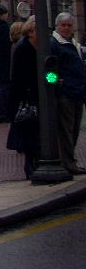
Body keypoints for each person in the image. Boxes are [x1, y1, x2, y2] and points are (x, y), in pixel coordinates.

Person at [52, 12, 86, 175]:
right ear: (57, 26)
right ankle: (68, 163)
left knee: (74, 129)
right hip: (65, 93)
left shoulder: (73, 43)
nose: (66, 28)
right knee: (66, 130)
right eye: (63, 25)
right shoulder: (54, 44)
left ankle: (70, 160)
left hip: (78, 92)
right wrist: (55, 82)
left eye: (69, 25)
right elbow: (48, 69)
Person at [6, 16, 39, 179]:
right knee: (29, 130)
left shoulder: (43, 47)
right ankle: (30, 165)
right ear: (31, 31)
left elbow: (50, 71)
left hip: (39, 94)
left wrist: (53, 80)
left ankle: (37, 162)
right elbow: (19, 77)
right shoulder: (23, 48)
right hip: (26, 96)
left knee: (37, 131)